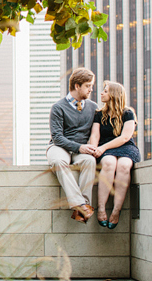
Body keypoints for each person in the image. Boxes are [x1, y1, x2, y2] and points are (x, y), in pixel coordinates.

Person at [47, 67, 98, 223]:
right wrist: (79, 147)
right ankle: (81, 205)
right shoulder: (58, 107)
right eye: (88, 85)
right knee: (57, 161)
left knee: (90, 161)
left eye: (91, 86)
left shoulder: (93, 107)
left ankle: (81, 210)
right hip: (59, 146)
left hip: (80, 150)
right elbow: (57, 138)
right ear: (77, 86)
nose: (91, 89)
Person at [88, 80, 141, 229]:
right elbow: (95, 135)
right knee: (109, 163)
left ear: (114, 94)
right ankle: (101, 208)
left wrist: (103, 147)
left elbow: (125, 137)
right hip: (106, 150)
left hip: (125, 147)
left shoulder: (128, 113)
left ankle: (116, 211)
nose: (102, 93)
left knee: (124, 165)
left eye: (105, 90)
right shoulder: (99, 114)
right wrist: (94, 149)